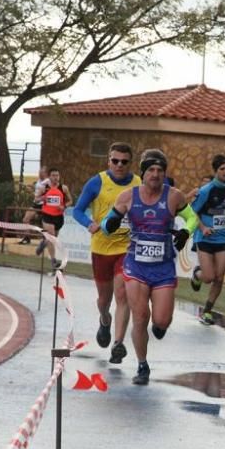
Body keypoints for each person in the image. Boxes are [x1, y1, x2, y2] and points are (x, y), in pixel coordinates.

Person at [99, 149, 190, 385]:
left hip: (163, 269)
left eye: (160, 170)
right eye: (151, 169)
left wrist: (186, 230)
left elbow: (193, 218)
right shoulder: (128, 197)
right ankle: (142, 365)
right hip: (136, 267)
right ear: (143, 172)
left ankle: (160, 327)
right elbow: (106, 226)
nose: (156, 174)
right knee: (140, 317)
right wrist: (112, 221)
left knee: (161, 321)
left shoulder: (174, 196)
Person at [72, 142, 140, 364]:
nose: (119, 165)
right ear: (108, 161)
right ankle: (104, 319)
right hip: (101, 248)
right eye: (115, 161)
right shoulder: (97, 182)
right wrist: (89, 224)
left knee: (123, 295)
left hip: (126, 248)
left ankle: (118, 345)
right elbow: (77, 210)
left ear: (131, 163)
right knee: (104, 299)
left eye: (124, 162)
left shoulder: (139, 184)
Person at [189, 154, 225, 325]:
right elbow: (191, 212)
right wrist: (203, 228)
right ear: (216, 171)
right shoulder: (206, 191)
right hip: (205, 238)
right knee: (209, 277)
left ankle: (207, 311)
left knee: (219, 278)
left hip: (222, 239)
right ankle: (197, 274)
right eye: (222, 169)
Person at [34, 167, 74, 268]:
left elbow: (70, 201)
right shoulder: (44, 187)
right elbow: (36, 199)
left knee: (53, 238)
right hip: (47, 215)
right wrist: (43, 198)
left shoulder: (64, 188)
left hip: (58, 217)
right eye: (53, 175)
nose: (55, 178)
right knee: (51, 236)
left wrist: (64, 206)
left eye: (57, 175)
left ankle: (43, 243)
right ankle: (53, 261)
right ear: (49, 177)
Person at [19, 166, 48, 244]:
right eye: (39, 172)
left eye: (41, 172)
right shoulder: (39, 180)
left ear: (45, 173)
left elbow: (48, 193)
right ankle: (27, 237)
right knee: (25, 219)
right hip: (35, 204)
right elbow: (36, 189)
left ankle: (46, 238)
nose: (39, 173)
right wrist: (27, 187)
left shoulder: (48, 182)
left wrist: (41, 195)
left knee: (45, 222)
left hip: (44, 204)